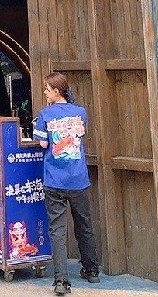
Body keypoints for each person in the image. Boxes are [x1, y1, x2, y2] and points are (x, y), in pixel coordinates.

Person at [33, 72, 100, 294]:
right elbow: (81, 135)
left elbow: (43, 144)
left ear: (56, 91)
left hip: (55, 180)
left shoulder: (45, 114)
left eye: (47, 89)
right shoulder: (80, 112)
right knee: (84, 224)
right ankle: (91, 270)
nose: (45, 92)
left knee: (57, 230)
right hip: (78, 179)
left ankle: (61, 281)